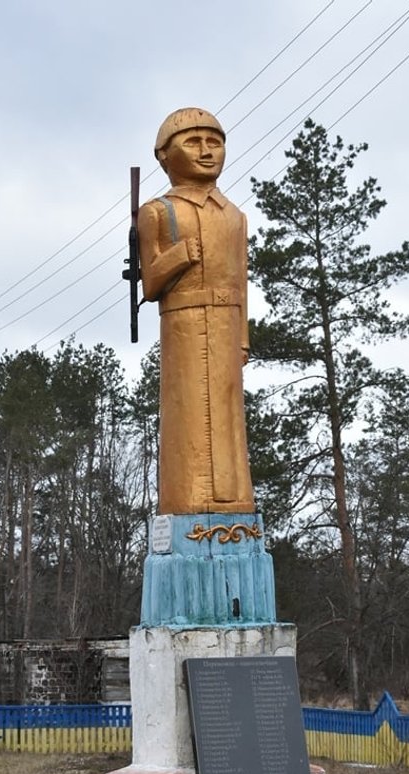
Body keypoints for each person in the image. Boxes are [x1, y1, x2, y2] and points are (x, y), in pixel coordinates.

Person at [138, 107, 255, 516]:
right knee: (189, 414)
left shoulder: (235, 216)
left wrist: (243, 338)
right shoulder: (158, 211)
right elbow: (150, 283)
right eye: (193, 142)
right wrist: (182, 255)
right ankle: (189, 502)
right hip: (184, 322)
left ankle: (233, 502)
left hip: (225, 326)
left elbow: (241, 281)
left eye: (215, 142)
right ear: (165, 155)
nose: (207, 151)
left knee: (228, 414)